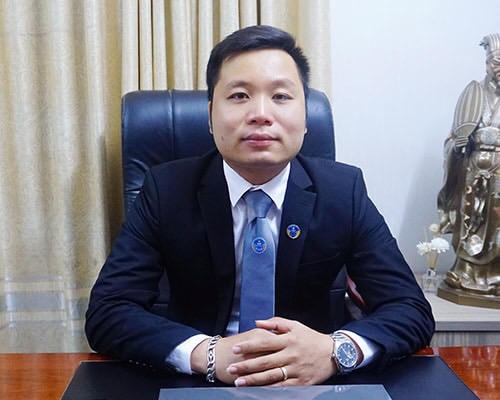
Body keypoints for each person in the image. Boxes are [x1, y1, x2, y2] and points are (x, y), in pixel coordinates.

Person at [86, 25, 434, 386]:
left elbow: (409, 309)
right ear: (210, 116)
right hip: (199, 381)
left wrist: (335, 351)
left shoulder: (343, 191)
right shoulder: (166, 190)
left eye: (281, 96)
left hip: (312, 384)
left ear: (305, 117)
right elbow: (109, 311)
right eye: (239, 96)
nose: (261, 114)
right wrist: (205, 353)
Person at [438, 33, 500, 295]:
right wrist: (459, 145)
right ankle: (466, 272)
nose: (498, 68)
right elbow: (455, 136)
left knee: (497, 223)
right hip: (474, 170)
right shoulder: (475, 93)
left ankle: (495, 276)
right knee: (471, 220)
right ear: (487, 64)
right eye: (495, 62)